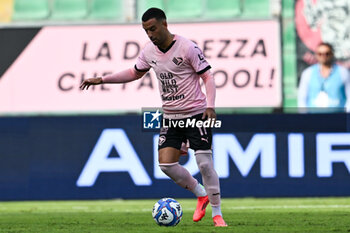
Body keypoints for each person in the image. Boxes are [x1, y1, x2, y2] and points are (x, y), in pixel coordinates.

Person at [80, 8, 227, 227]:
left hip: (196, 113)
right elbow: (134, 73)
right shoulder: (149, 51)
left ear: (164, 24)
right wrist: (102, 80)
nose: (150, 34)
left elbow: (207, 76)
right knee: (166, 165)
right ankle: (201, 194)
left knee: (204, 163)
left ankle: (217, 215)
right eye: (146, 30)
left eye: (153, 29)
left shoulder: (187, 47)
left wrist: (211, 106)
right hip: (170, 116)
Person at [298, 42, 350, 112]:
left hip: (337, 118)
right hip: (314, 118)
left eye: (327, 53)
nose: (323, 56)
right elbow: (302, 99)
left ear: (332, 54)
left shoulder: (343, 72)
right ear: (316, 55)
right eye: (320, 54)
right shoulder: (308, 73)